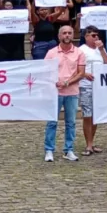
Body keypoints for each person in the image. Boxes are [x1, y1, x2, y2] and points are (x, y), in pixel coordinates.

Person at [43, 26, 86, 163]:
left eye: (69, 33)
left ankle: (69, 149)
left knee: (71, 122)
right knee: (51, 122)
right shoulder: (51, 53)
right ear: (59, 35)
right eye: (64, 33)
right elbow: (45, 71)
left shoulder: (79, 53)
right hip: (55, 92)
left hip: (72, 92)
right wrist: (53, 82)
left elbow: (81, 73)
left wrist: (67, 83)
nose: (67, 35)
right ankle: (49, 150)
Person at [78, 26, 107, 156]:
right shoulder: (81, 50)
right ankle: (88, 144)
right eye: (92, 35)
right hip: (86, 85)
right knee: (88, 115)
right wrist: (84, 74)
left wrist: (102, 49)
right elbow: (75, 67)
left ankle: (91, 142)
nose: (96, 37)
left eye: (97, 35)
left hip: (99, 86)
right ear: (86, 37)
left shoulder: (100, 50)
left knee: (96, 116)